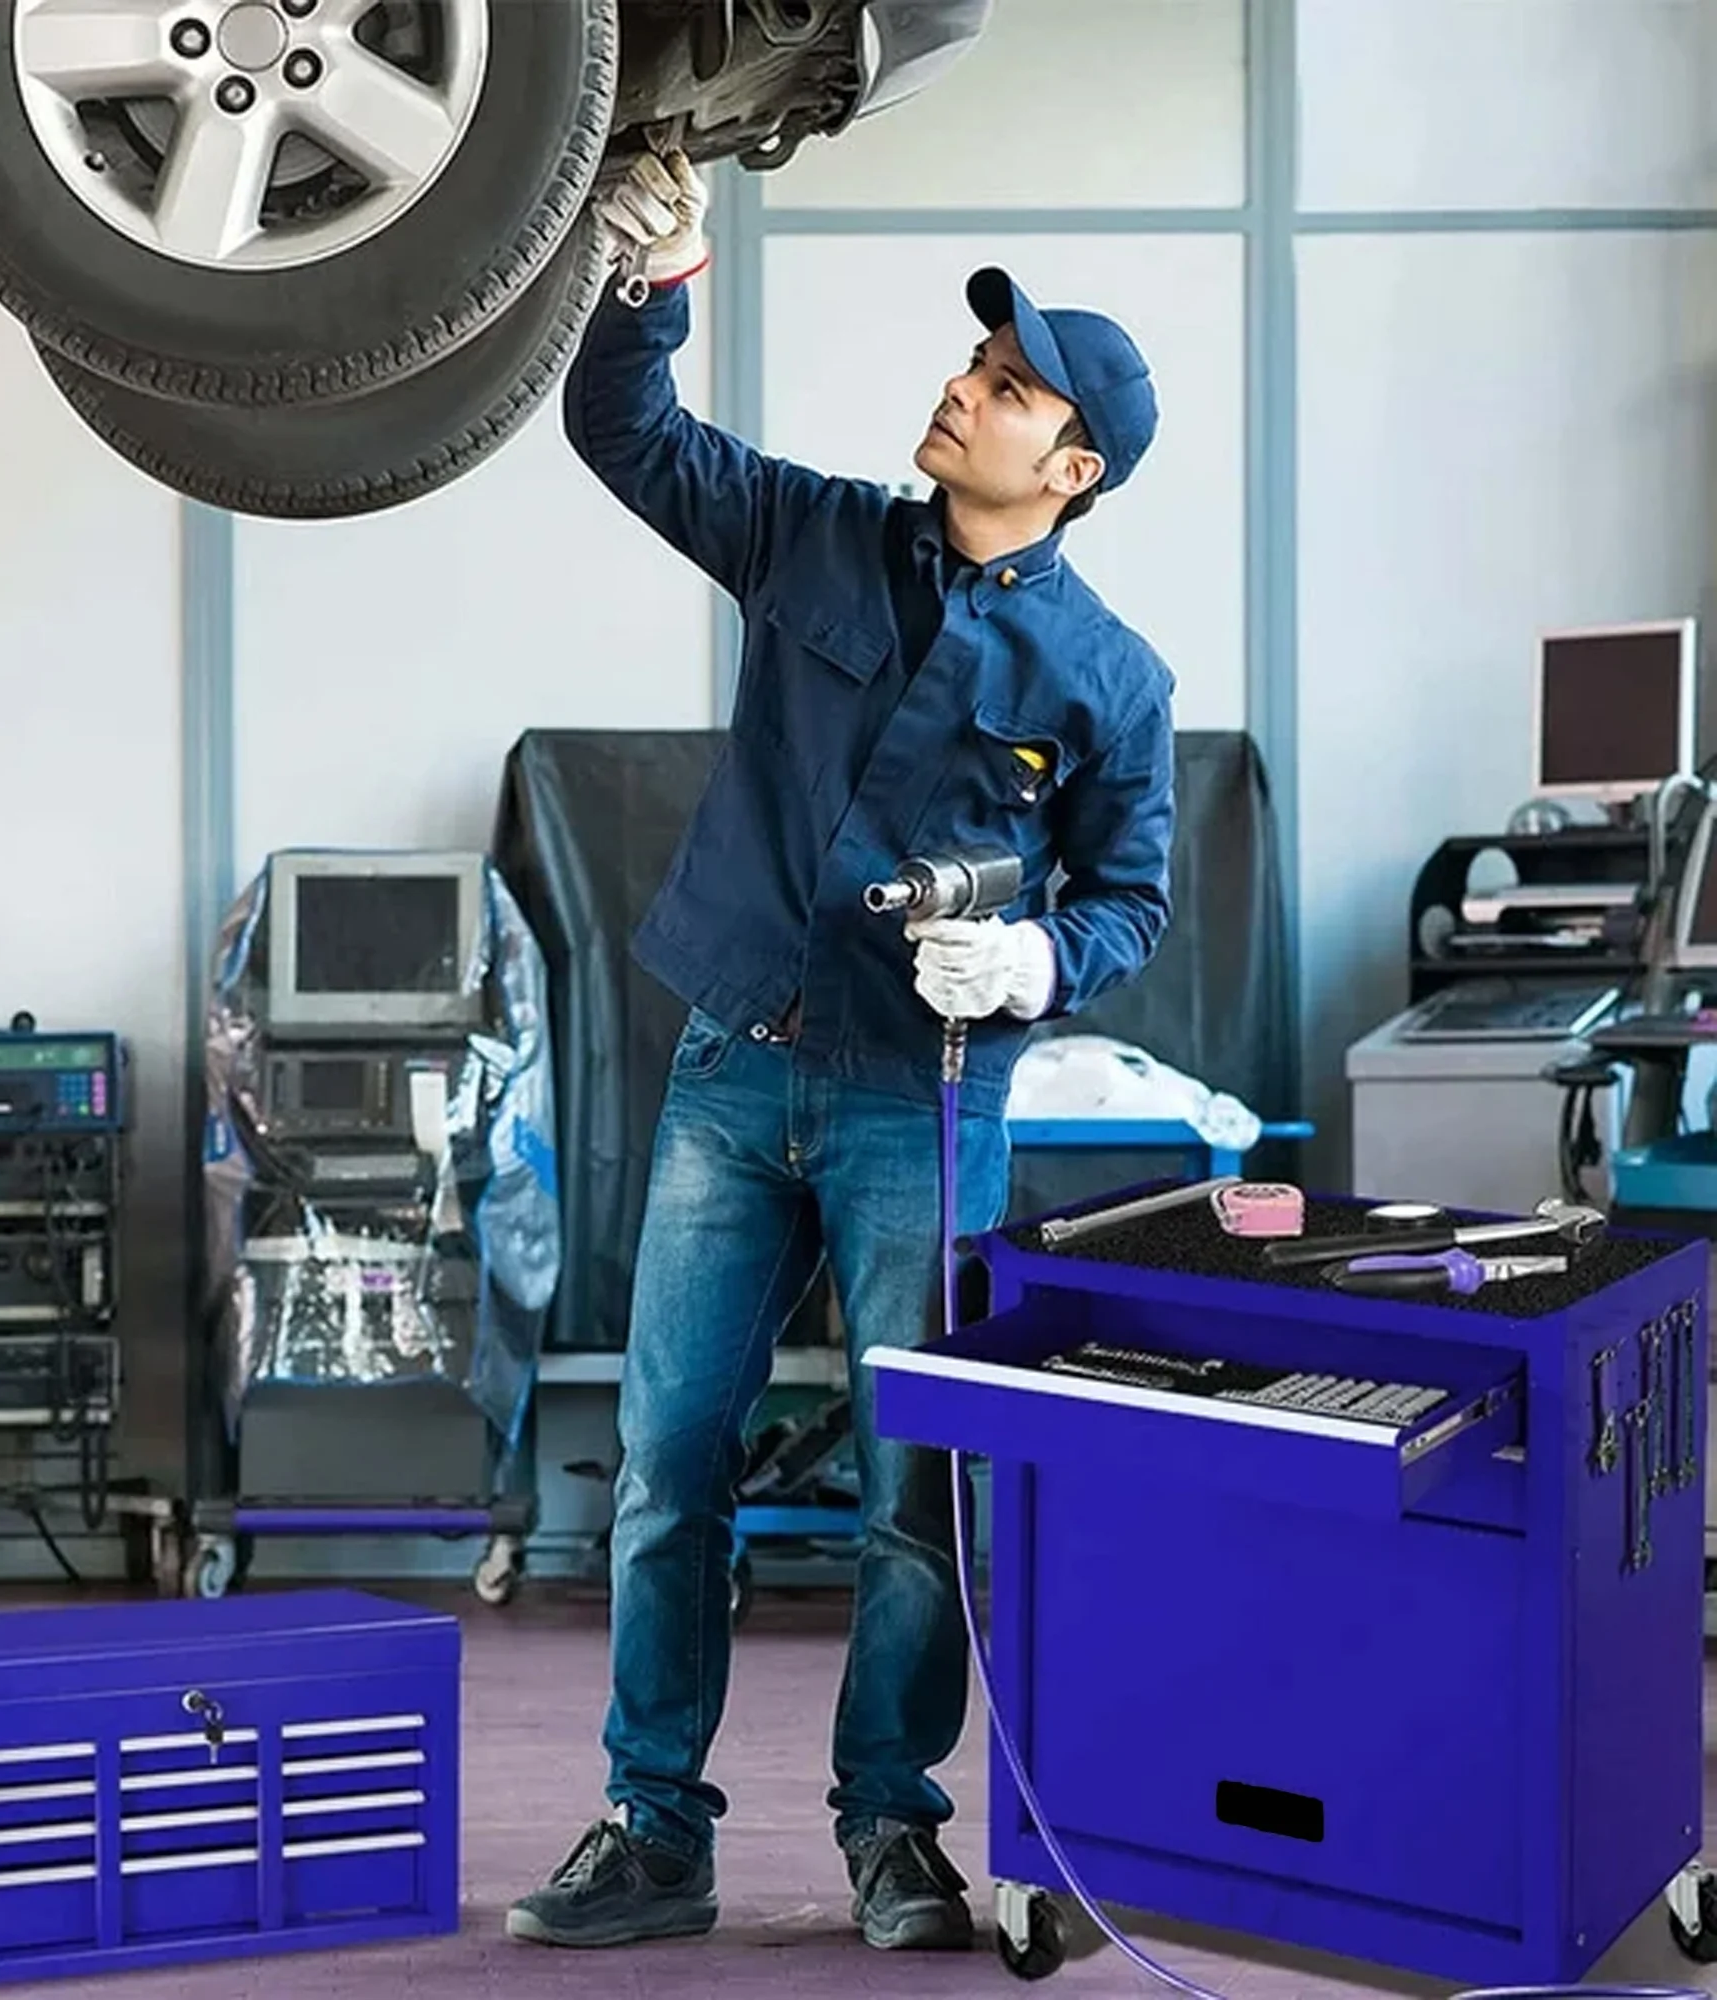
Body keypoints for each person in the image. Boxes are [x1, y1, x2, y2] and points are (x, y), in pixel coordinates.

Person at [506, 146, 1177, 1956]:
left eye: (1011, 388)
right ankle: (655, 1831)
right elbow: (624, 435)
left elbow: (1133, 903)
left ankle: (895, 1827)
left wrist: (1036, 957)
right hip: (735, 1068)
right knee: (668, 1467)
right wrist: (654, 283)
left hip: (922, 1104)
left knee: (915, 1490)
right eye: (979, 367)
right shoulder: (811, 532)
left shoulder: (1112, 682)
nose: (966, 388)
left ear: (1074, 469)